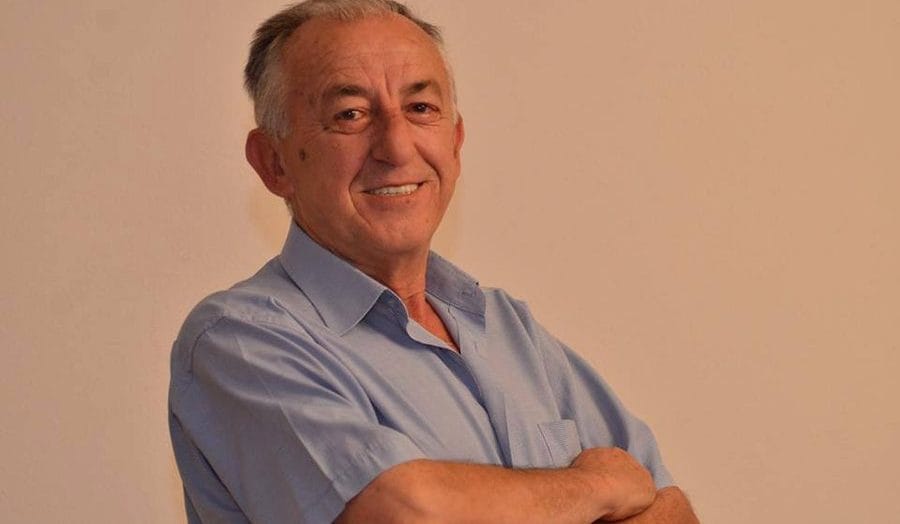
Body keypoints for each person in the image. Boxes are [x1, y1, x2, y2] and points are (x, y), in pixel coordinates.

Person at [168, 1, 699, 522]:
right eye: (350, 115)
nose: (397, 147)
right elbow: (402, 513)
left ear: (456, 141)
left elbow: (672, 509)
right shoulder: (239, 341)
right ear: (274, 163)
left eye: (420, 108)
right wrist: (597, 486)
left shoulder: (506, 328)